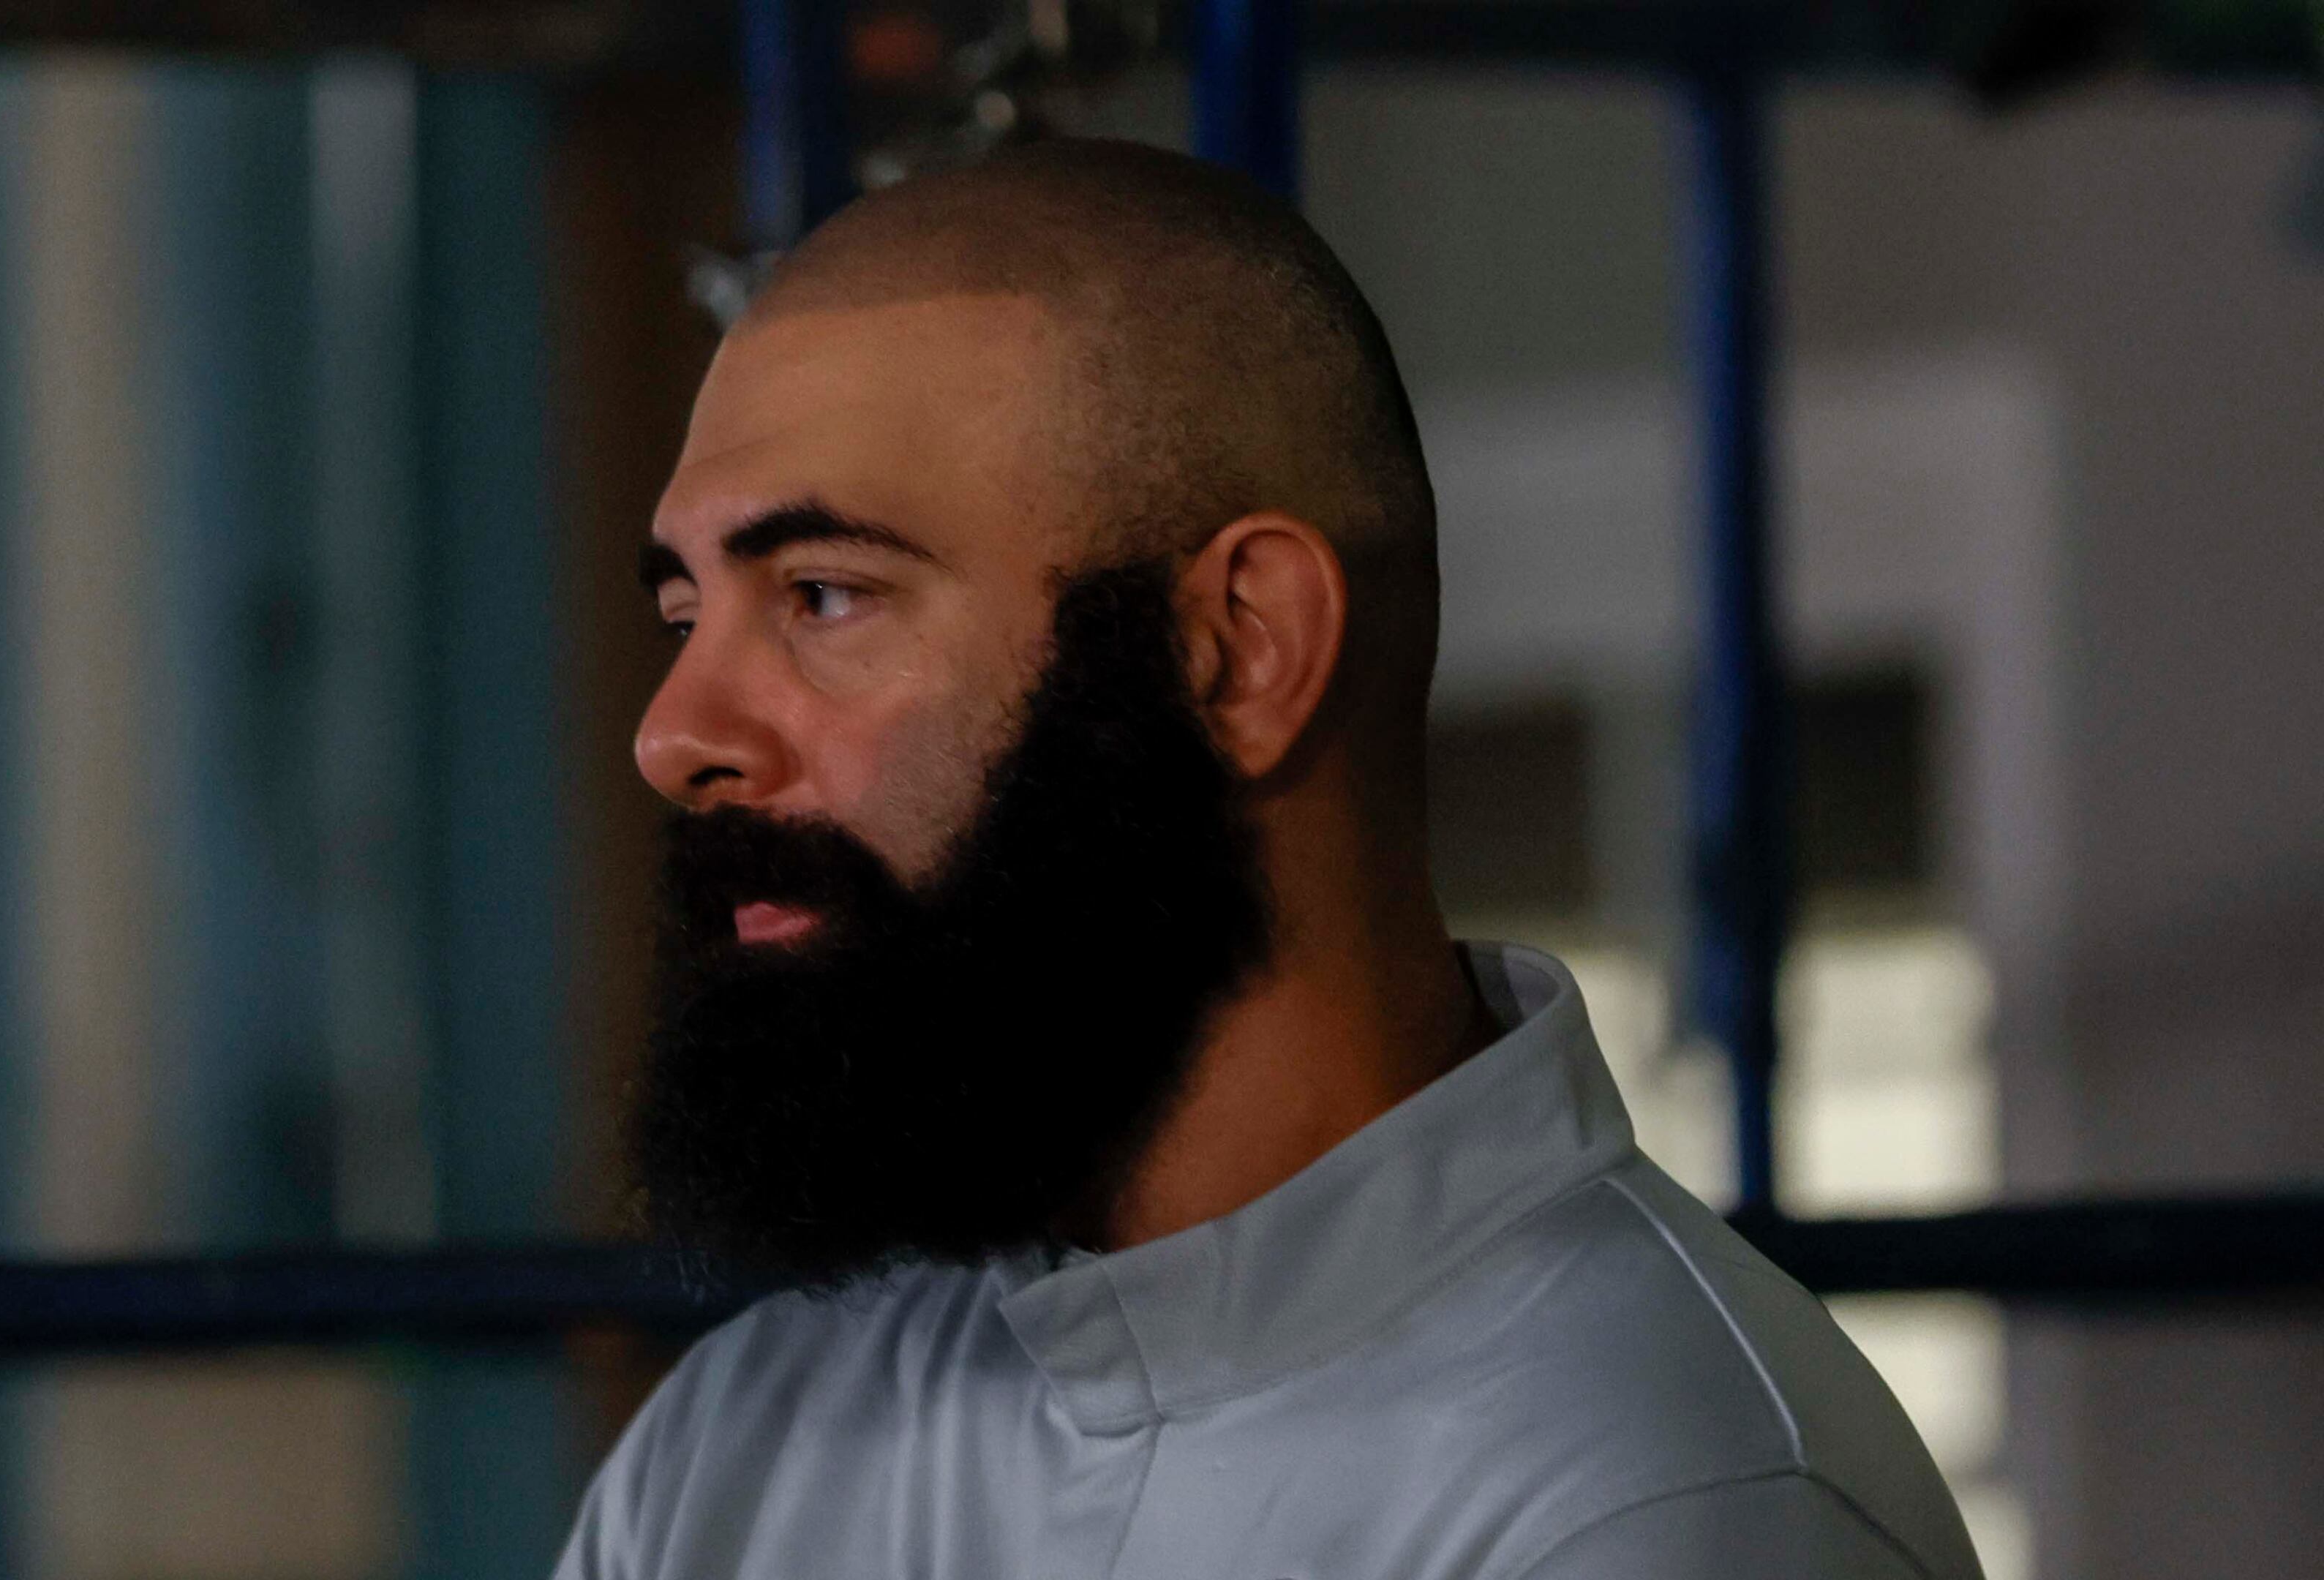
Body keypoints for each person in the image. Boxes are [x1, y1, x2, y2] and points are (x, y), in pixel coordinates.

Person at [559, 138, 1981, 1580]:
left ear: (1238, 649)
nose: (673, 735)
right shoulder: (734, 1455)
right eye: (688, 616)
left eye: (823, 595)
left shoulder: (1661, 1502)